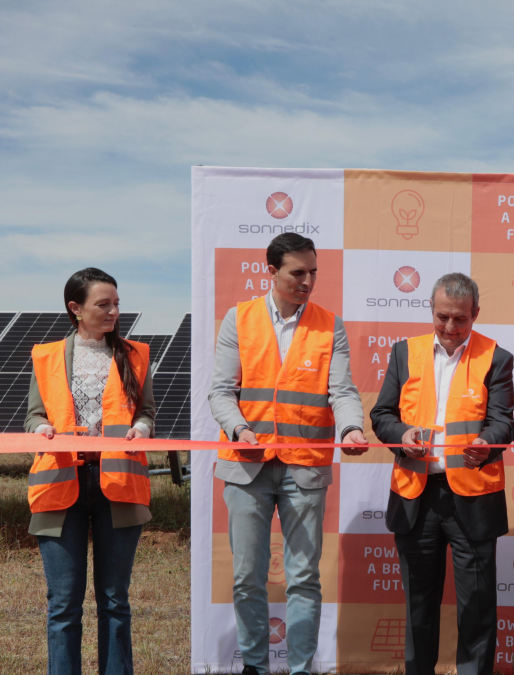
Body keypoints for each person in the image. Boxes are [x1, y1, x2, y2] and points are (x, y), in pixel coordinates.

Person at [209, 233, 368, 675]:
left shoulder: (329, 325)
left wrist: (353, 427)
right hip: (247, 469)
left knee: (303, 578)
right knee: (247, 579)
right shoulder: (237, 319)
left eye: (313, 272)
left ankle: (301, 669)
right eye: (298, 272)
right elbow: (220, 392)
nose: (308, 280)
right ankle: (255, 668)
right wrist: (239, 428)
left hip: (306, 471)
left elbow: (342, 390)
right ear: (271, 271)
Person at [369, 273, 514, 675]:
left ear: (476, 315)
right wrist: (402, 435)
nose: (450, 328)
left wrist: (486, 444)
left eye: (461, 319)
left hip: (473, 498)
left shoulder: (496, 358)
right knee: (418, 606)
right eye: (442, 317)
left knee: (477, 607)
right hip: (416, 497)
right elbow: (381, 415)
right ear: (431, 311)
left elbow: (504, 422)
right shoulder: (404, 353)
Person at [25, 267, 156, 675]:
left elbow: (147, 412)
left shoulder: (135, 355)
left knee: (115, 600)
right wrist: (41, 428)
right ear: (75, 309)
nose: (114, 311)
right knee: (63, 604)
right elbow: (33, 416)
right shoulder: (46, 356)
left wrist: (142, 428)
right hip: (61, 486)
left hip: (118, 485)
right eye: (104, 304)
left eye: (116, 303)